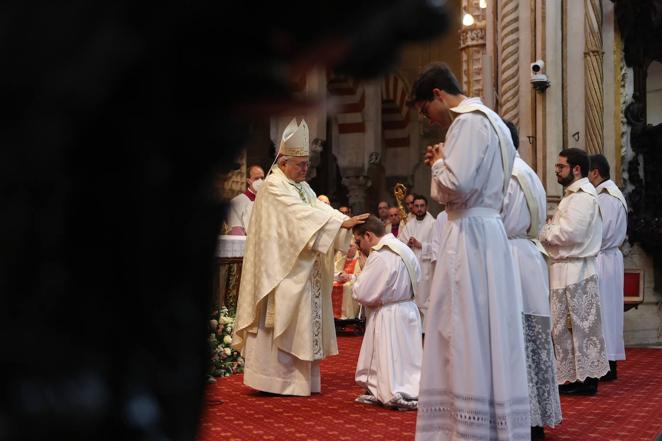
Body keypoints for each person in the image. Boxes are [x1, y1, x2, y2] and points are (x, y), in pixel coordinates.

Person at [411, 63, 530, 440]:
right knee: (490, 329)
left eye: (424, 111)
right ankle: (495, 423)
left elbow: (454, 186)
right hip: (491, 234)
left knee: (460, 329)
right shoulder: (496, 123)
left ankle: (464, 429)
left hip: (466, 236)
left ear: (437, 95)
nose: (428, 121)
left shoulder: (466, 122)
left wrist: (439, 162)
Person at [232, 118, 369, 396]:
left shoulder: (302, 187)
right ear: (282, 162)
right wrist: (338, 224)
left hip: (301, 268)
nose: (306, 169)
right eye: (301, 164)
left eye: (307, 164)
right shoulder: (273, 187)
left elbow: (320, 210)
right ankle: (272, 379)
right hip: (280, 271)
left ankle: (299, 380)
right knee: (280, 322)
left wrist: (345, 221)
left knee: (302, 322)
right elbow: (299, 216)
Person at [501, 121, 562, 439]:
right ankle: (534, 417)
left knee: (515, 339)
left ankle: (520, 417)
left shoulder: (507, 175)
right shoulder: (529, 173)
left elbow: (497, 219)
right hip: (529, 258)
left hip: (510, 258)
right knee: (532, 338)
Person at [539, 148, 609, 395]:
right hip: (564, 268)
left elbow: (571, 233)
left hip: (578, 269)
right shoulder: (571, 196)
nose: (556, 170)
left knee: (581, 326)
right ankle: (574, 376)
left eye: (561, 166)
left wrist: (544, 232)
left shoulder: (582, 196)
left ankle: (587, 379)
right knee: (563, 328)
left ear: (576, 169)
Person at [352, 215, 423, 410]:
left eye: (358, 241)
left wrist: (356, 282)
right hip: (408, 307)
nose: (358, 247)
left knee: (392, 355)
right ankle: (402, 390)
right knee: (406, 356)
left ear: (368, 235)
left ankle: (394, 392)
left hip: (389, 312)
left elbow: (363, 292)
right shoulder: (404, 249)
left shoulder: (381, 254)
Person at [589, 154, 628, 381]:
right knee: (609, 313)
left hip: (602, 258)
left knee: (602, 312)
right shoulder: (614, 194)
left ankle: (604, 363)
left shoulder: (605, 197)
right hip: (610, 258)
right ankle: (608, 362)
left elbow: (599, 233)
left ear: (595, 172)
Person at [397, 195, 436, 328]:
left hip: (426, 267)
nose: (419, 209)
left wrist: (422, 245)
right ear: (413, 207)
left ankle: (426, 328)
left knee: (425, 297)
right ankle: (414, 326)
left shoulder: (433, 224)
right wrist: (407, 244)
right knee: (413, 297)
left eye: (422, 206)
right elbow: (400, 242)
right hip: (412, 266)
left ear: (427, 207)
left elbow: (439, 247)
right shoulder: (409, 224)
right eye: (417, 206)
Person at [227, 165, 265, 235]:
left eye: (262, 178)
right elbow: (237, 232)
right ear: (248, 181)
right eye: (256, 178)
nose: (260, 181)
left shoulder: (269, 201)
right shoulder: (237, 202)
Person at [332, 242, 364, 320]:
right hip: (341, 281)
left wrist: (350, 276)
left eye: (351, 246)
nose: (348, 248)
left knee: (348, 286)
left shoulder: (361, 259)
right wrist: (339, 275)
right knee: (331, 286)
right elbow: (333, 272)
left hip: (354, 282)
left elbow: (363, 276)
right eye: (347, 246)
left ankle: (349, 317)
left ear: (356, 246)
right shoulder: (340, 258)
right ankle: (333, 316)